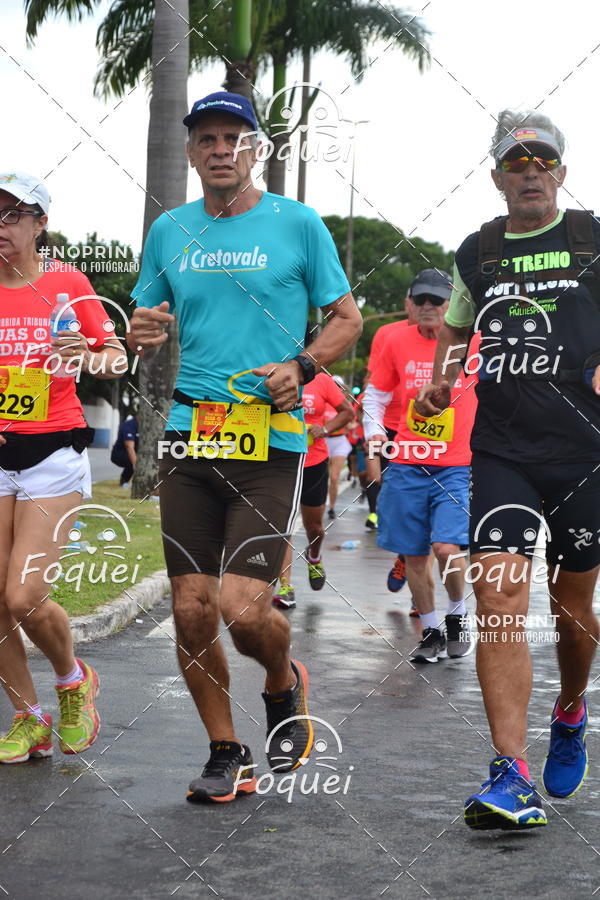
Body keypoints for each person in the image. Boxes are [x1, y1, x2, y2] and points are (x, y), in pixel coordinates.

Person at [128, 92, 362, 803]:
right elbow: (146, 317)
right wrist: (141, 331)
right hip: (190, 434)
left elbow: (346, 318)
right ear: (192, 152)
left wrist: (303, 366)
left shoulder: (298, 224)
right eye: (207, 139)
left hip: (270, 438)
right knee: (190, 607)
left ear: (255, 149)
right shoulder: (170, 229)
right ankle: (226, 751)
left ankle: (283, 681)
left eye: (234, 138)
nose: (220, 149)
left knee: (242, 607)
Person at [416, 110, 600, 831]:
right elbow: (457, 328)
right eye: (516, 163)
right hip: (502, 452)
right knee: (497, 599)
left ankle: (570, 709)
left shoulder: (591, 238)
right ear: (497, 177)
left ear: (561, 171)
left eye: (542, 161)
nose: (530, 173)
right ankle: (511, 773)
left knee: (572, 613)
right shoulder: (480, 251)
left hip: (585, 454)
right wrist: (443, 378)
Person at [0, 172, 124, 764]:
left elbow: (116, 357)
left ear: (40, 224)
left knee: (24, 594)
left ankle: (74, 682)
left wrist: (90, 355)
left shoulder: (67, 283)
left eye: (12, 215)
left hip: (51, 454)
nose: (0, 226)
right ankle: (29, 718)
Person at [363, 268, 477, 662]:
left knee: (446, 548)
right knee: (413, 555)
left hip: (457, 465)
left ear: (452, 304)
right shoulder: (394, 339)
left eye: (437, 300)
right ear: (410, 303)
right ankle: (431, 631)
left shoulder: (474, 342)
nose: (428, 306)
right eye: (420, 299)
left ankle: (457, 614)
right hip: (407, 463)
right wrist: (374, 434)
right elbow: (375, 395)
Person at [272, 362, 353, 609]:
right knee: (282, 525)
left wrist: (325, 429)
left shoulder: (322, 380)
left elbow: (347, 412)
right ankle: (286, 587)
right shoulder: (274, 374)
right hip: (281, 460)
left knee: (315, 528)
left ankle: (314, 556)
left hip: (314, 461)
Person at [324, 375, 353, 519]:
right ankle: (319, 504)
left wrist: (349, 426)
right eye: (333, 385)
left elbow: (350, 423)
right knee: (322, 478)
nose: (336, 388)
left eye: (338, 386)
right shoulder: (322, 400)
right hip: (323, 441)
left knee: (334, 477)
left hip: (339, 442)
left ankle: (331, 508)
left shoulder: (345, 404)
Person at [110, 413, 139, 487]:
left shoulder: (146, 426)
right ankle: (124, 481)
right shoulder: (129, 425)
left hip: (134, 452)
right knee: (133, 459)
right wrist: (136, 466)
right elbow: (129, 446)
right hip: (119, 454)